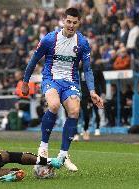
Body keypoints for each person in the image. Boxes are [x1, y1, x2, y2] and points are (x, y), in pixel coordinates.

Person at [21, 8, 104, 172]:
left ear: (79, 23)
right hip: (51, 78)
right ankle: (43, 147)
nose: (71, 25)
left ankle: (64, 154)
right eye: (69, 21)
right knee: (53, 105)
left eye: (75, 22)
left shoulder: (82, 43)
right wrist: (25, 82)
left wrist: (93, 91)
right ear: (63, 20)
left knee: (74, 111)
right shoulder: (50, 39)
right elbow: (33, 61)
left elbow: (87, 69)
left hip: (71, 81)